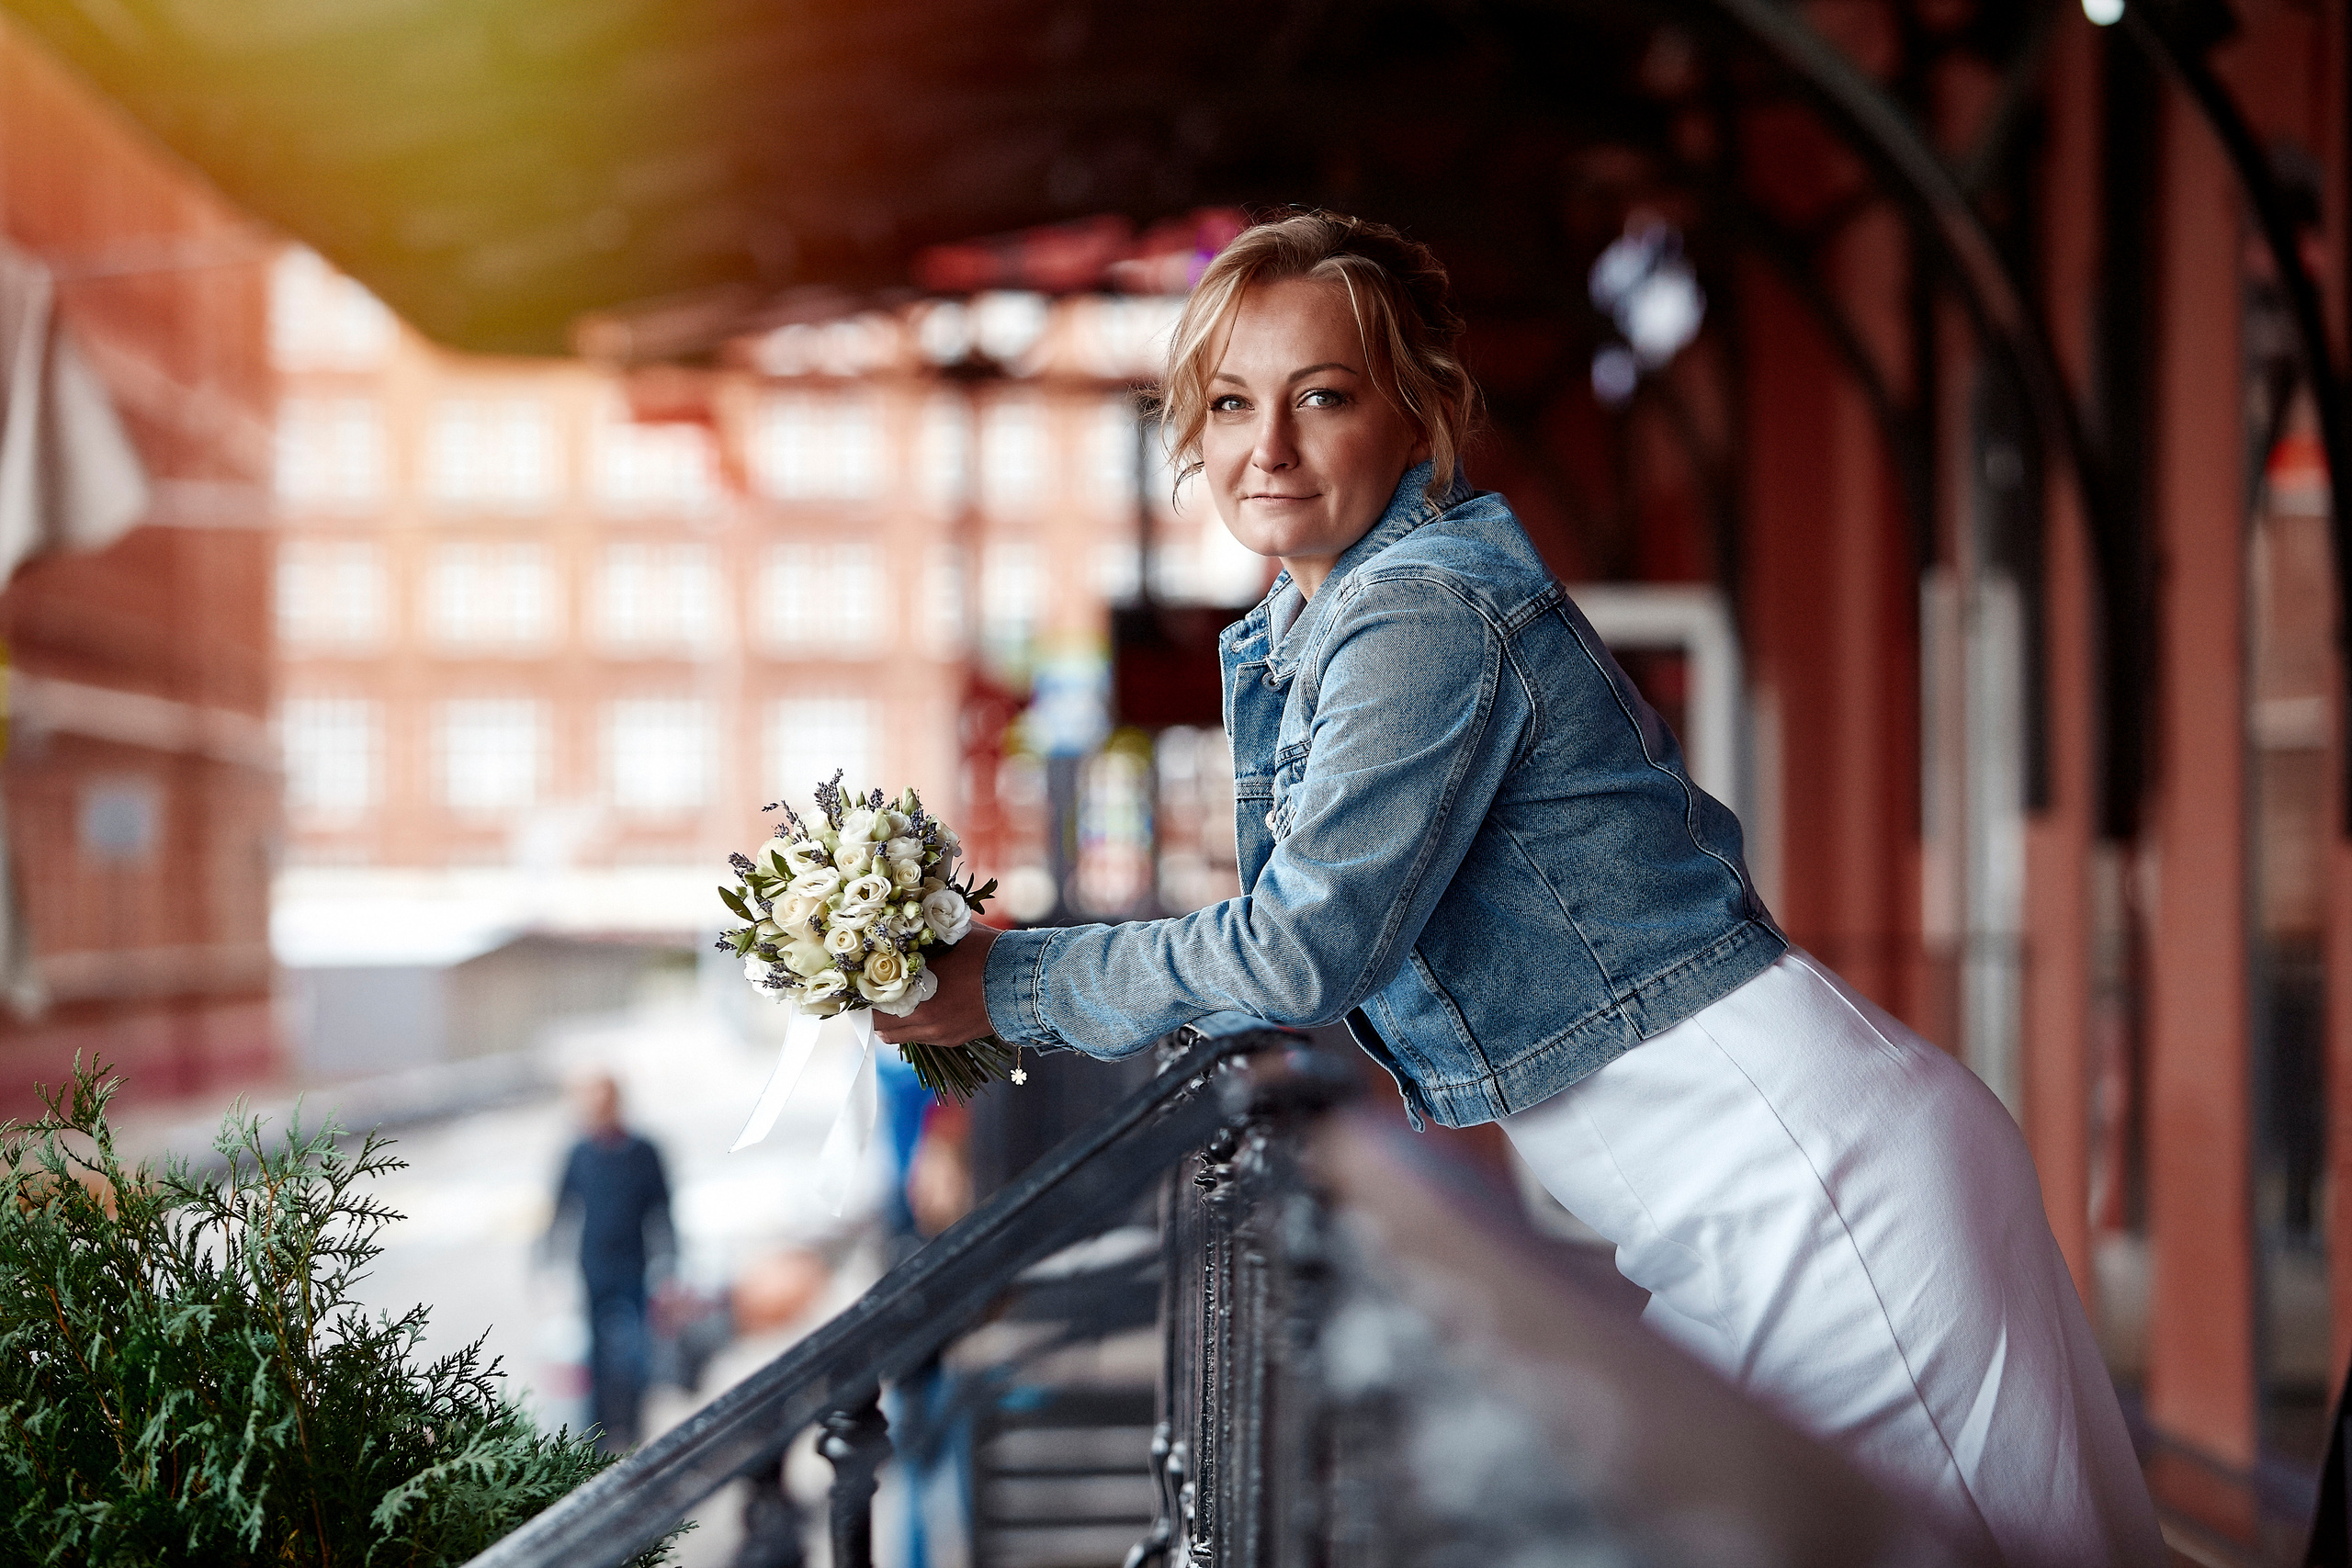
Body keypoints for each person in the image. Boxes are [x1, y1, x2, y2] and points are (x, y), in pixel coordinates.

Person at [880, 210, 2165, 1566]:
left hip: (1815, 1188)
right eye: (1232, 403)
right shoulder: (1308, 630)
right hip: (1733, 1202)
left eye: (1323, 396)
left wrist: (1008, 983)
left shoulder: (1419, 611)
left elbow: (1299, 951)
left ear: (1417, 414)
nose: (1270, 449)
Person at [547, 1071, 674, 1452]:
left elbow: (663, 1211)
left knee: (637, 1353)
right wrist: (549, 1266)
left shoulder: (644, 1152)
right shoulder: (579, 1154)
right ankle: (596, 1433)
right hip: (593, 1267)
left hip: (635, 1266)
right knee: (594, 1355)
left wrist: (670, 1265)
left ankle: (633, 1428)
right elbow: (561, 1210)